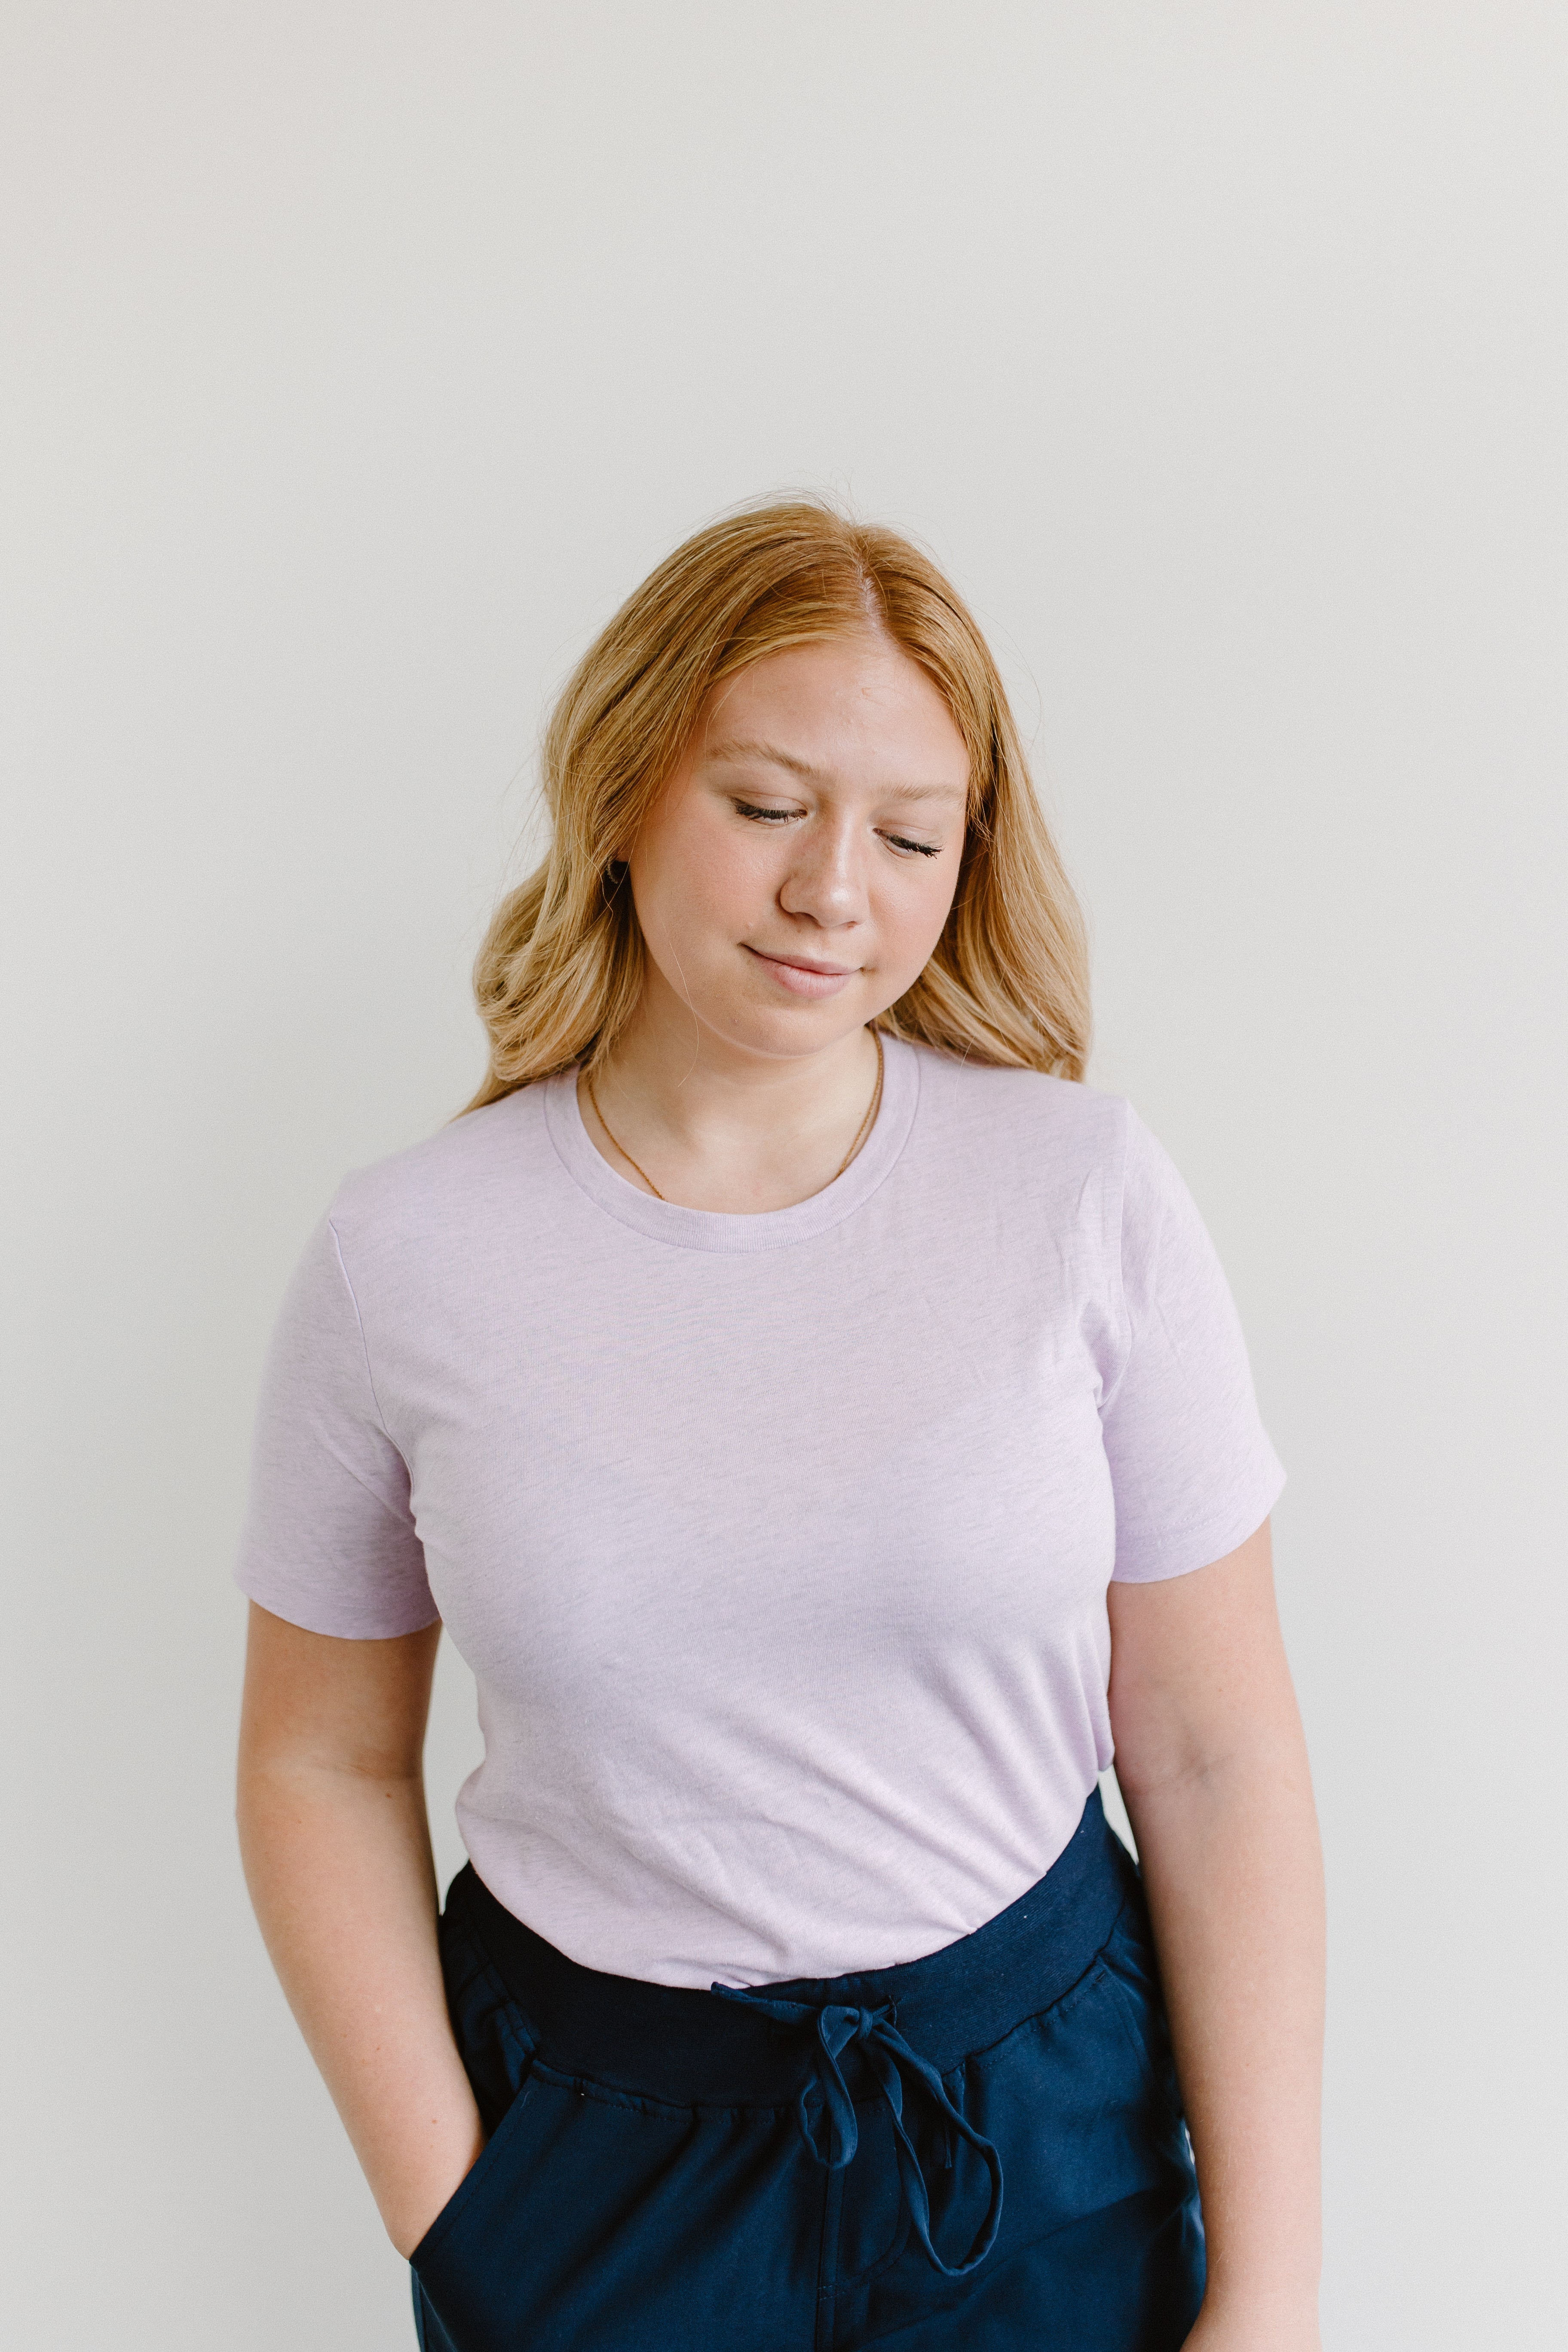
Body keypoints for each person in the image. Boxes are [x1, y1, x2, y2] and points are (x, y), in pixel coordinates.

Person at [235, 500, 1324, 2352]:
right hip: (595, 2160)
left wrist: (1274, 2294)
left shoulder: (1081, 1193)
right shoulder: (404, 1255)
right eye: (765, 806)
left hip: (1046, 2139)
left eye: (911, 835)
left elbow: (1215, 1750)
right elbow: (318, 1759)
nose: (835, 891)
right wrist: (467, 2221)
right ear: (625, 789)